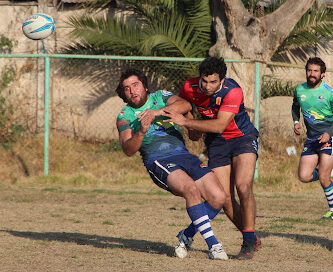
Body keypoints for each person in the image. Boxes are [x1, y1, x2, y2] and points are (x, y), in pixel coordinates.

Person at [115, 68, 229, 260]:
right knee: (191, 189)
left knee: (218, 197)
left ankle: (187, 235)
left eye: (135, 85)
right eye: (127, 88)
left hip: (183, 155)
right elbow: (128, 149)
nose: (132, 91)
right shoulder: (124, 116)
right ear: (123, 93)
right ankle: (214, 246)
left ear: (144, 85)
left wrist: (156, 112)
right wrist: (141, 132)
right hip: (158, 160)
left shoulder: (160, 96)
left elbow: (184, 105)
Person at [162, 57, 261, 260]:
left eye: (213, 82)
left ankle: (248, 241)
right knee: (223, 198)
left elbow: (219, 125)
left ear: (222, 80)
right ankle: (251, 236)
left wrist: (186, 122)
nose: (207, 86)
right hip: (217, 144)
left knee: (243, 186)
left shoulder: (233, 91)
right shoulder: (190, 86)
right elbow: (185, 107)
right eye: (204, 81)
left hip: (242, 137)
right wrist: (190, 127)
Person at [292, 57, 333, 220]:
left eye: (316, 71)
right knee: (304, 176)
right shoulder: (299, 90)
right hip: (311, 139)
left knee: (324, 177)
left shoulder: (329, 93)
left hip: (330, 137)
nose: (312, 74)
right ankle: (325, 173)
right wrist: (296, 122)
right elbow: (295, 106)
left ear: (322, 74)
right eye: (309, 70)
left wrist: (329, 133)